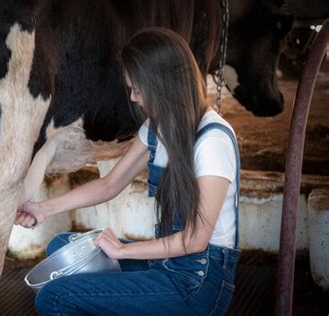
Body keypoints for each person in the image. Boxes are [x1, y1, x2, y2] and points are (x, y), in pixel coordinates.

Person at [15, 27, 240, 316]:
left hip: (199, 284)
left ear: (163, 84)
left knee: (54, 298)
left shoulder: (212, 141)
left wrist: (122, 251)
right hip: (169, 263)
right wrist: (43, 208)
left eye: (137, 88)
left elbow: (195, 239)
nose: (133, 98)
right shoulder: (158, 127)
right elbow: (109, 185)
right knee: (62, 247)